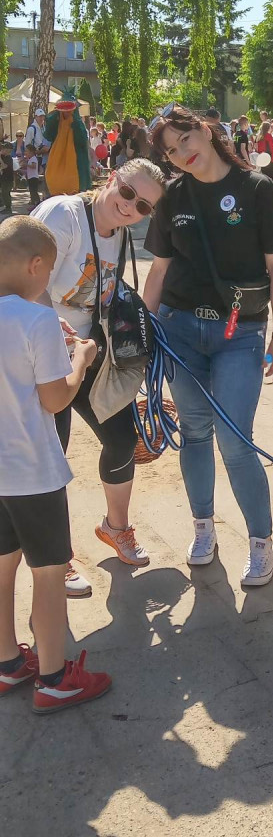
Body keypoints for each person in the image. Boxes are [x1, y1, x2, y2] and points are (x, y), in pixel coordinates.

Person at [144, 105, 273, 585]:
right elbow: (159, 269)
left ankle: (260, 543)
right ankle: (203, 527)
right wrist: (143, 331)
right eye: (170, 150)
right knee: (193, 432)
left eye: (185, 139)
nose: (181, 152)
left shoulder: (257, 189)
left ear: (205, 130)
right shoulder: (173, 196)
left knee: (235, 439)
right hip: (181, 329)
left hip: (240, 334)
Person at [32, 159, 166, 596]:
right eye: (128, 194)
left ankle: (115, 527)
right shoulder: (64, 215)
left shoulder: (122, 235)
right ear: (112, 179)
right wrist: (58, 338)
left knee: (123, 438)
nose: (131, 208)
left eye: (144, 206)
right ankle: (57, 557)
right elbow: (23, 283)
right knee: (53, 459)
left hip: (89, 354)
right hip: (41, 359)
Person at [0, 216, 113, 712]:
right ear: (35, 265)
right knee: (48, 572)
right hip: (32, 471)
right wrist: (81, 359)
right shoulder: (37, 320)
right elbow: (54, 399)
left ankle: (7, 663)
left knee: (2, 568)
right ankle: (53, 678)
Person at [0, 142, 13, 213]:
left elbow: (4, 166)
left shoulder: (8, 158)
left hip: (8, 178)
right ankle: (4, 205)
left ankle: (8, 207)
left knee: (6, 192)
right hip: (3, 177)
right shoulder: (3, 156)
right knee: (3, 192)